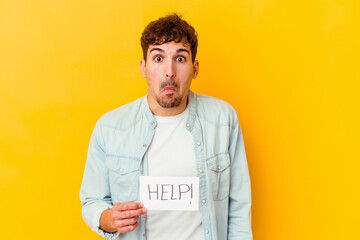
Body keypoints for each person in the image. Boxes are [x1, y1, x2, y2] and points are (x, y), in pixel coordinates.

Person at [80, 13, 253, 240]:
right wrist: (109, 219)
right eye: (158, 58)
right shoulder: (110, 128)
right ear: (143, 67)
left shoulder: (223, 120)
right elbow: (91, 202)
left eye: (180, 59)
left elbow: (239, 208)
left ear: (195, 68)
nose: (169, 72)